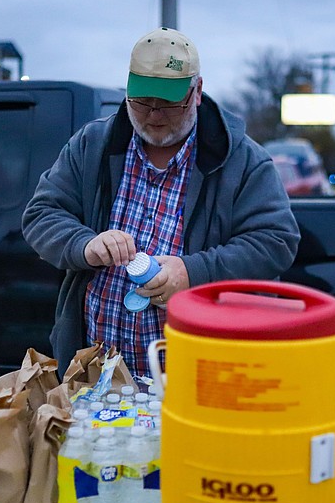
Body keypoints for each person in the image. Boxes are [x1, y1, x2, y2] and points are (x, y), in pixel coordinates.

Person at [22, 27, 300, 379]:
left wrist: (192, 272)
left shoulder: (243, 161)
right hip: (95, 369)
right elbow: (41, 214)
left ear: (197, 91)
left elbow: (275, 242)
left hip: (198, 372)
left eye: (169, 102)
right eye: (142, 101)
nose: (154, 115)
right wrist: (85, 244)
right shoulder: (92, 145)